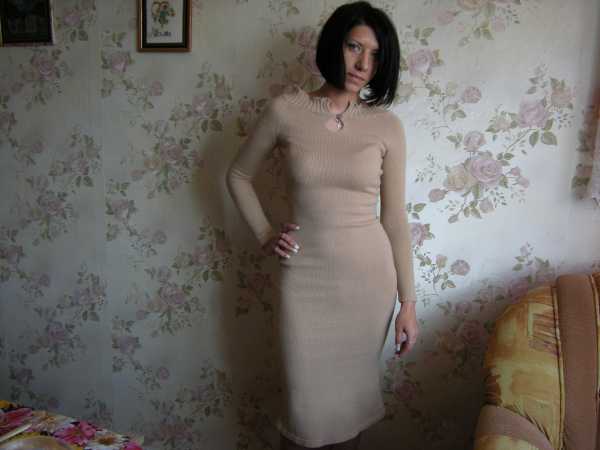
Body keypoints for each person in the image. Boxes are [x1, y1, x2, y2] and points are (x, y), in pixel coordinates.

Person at [226, 2, 418, 449]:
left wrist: (408, 302)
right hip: (305, 281)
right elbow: (237, 175)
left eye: (375, 55)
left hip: (367, 286)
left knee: (349, 413)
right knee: (304, 418)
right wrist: (265, 234)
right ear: (334, 45)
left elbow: (394, 218)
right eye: (354, 47)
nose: (363, 64)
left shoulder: (387, 126)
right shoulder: (286, 110)